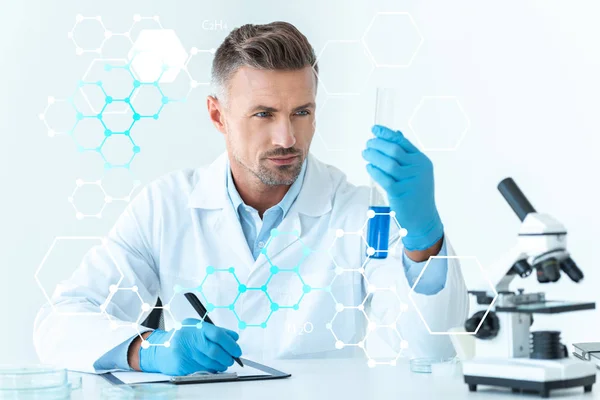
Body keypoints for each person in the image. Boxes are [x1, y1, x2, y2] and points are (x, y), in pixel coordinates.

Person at [33, 21, 468, 375]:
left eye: (302, 112)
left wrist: (422, 239)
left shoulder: (355, 210)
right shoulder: (164, 207)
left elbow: (429, 351)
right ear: (217, 115)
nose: (287, 137)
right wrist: (146, 350)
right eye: (264, 114)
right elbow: (58, 323)